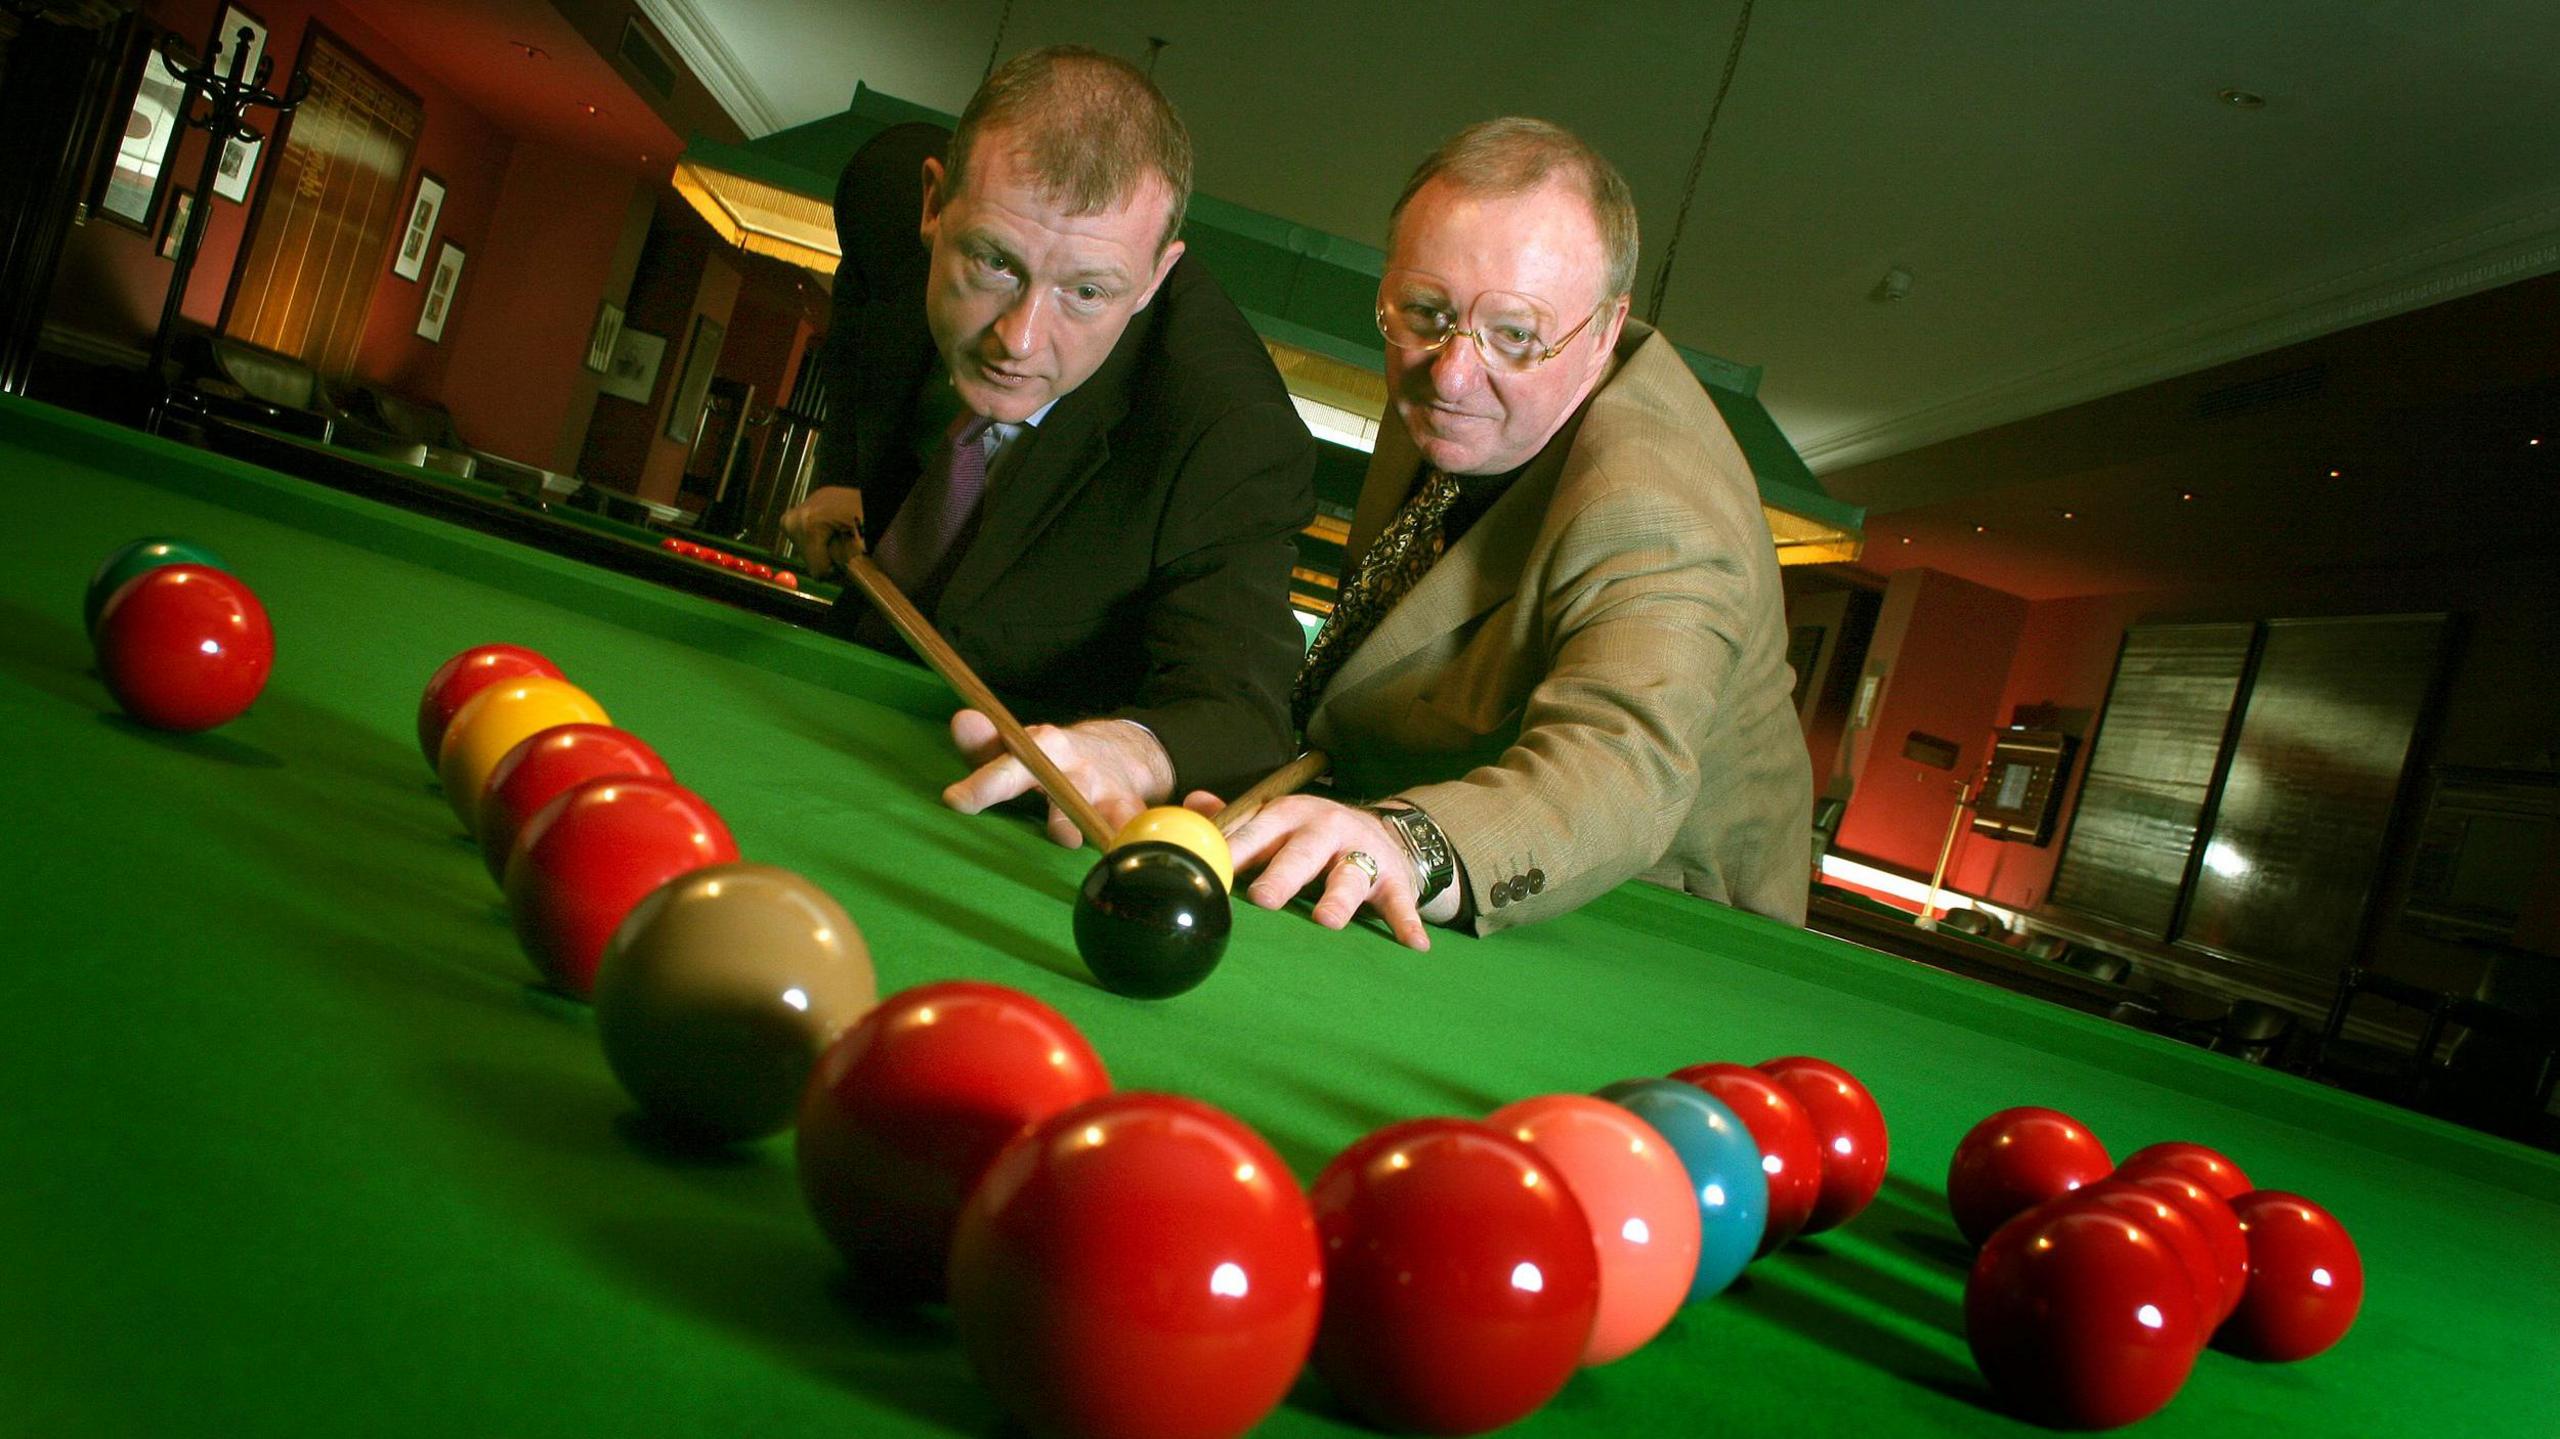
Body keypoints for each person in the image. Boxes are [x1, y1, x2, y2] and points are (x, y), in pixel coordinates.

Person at [1209, 117, 1812, 947]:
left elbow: (1621, 763)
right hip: (1413, 831)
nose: (1453, 374)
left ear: (1602, 332)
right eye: (1426, 311)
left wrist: (1406, 842)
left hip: (1645, 924)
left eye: (1516, 335)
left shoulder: (1657, 509)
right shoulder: (1451, 372)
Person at [784, 46, 1315, 844]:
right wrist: (849, 473)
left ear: (1153, 280)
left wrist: (1129, 749)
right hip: (820, 688)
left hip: (1011, 802)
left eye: (1087, 292)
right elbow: (862, 319)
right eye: (995, 262)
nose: (1019, 339)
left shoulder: (1228, 429)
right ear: (934, 205)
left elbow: (1242, 711)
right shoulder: (881, 199)